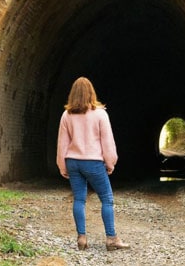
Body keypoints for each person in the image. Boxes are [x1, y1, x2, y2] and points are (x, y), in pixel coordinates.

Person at [56, 76, 130, 251]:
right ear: (91, 93)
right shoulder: (100, 114)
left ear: (72, 94)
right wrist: (110, 162)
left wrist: (62, 165)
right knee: (106, 199)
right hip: (93, 162)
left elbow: (62, 143)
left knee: (79, 199)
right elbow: (107, 142)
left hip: (73, 162)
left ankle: (81, 237)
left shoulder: (66, 115)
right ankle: (111, 238)